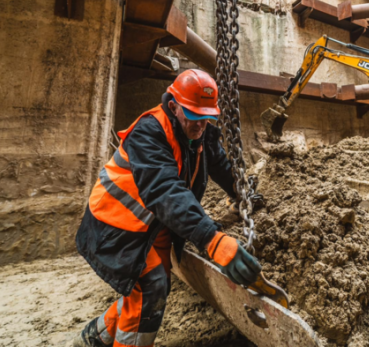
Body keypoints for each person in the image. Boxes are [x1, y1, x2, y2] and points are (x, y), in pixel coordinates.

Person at [73, 69, 262, 347]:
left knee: (149, 288)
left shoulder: (201, 130)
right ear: (173, 107)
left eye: (207, 118)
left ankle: (95, 337)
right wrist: (212, 240)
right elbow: (164, 190)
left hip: (154, 222)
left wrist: (242, 193)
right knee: (151, 287)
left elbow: (220, 165)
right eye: (195, 116)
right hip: (117, 222)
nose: (201, 125)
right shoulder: (148, 132)